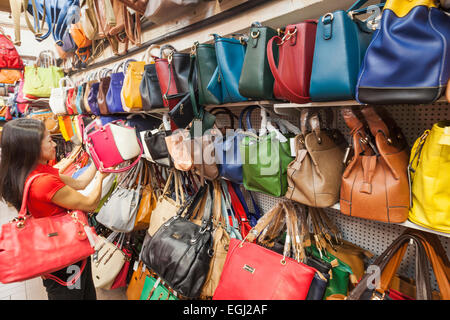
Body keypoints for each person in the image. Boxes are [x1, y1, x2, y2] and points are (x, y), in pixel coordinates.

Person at [0, 118, 108, 300]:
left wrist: (99, 164)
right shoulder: (43, 182)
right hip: (65, 258)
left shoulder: (30, 172)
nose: (55, 145)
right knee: (76, 295)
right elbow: (90, 203)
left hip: (53, 252)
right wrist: (103, 177)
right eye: (49, 140)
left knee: (82, 293)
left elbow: (80, 183)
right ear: (31, 147)